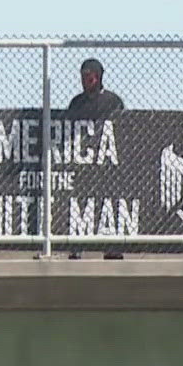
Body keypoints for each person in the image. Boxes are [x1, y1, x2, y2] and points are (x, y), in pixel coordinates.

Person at [66, 58, 125, 259]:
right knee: (78, 204)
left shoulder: (112, 101)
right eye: (84, 77)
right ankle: (76, 246)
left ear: (98, 77)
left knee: (109, 203)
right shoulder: (76, 103)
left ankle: (112, 247)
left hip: (107, 165)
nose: (86, 81)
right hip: (82, 163)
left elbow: (122, 129)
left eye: (90, 76)